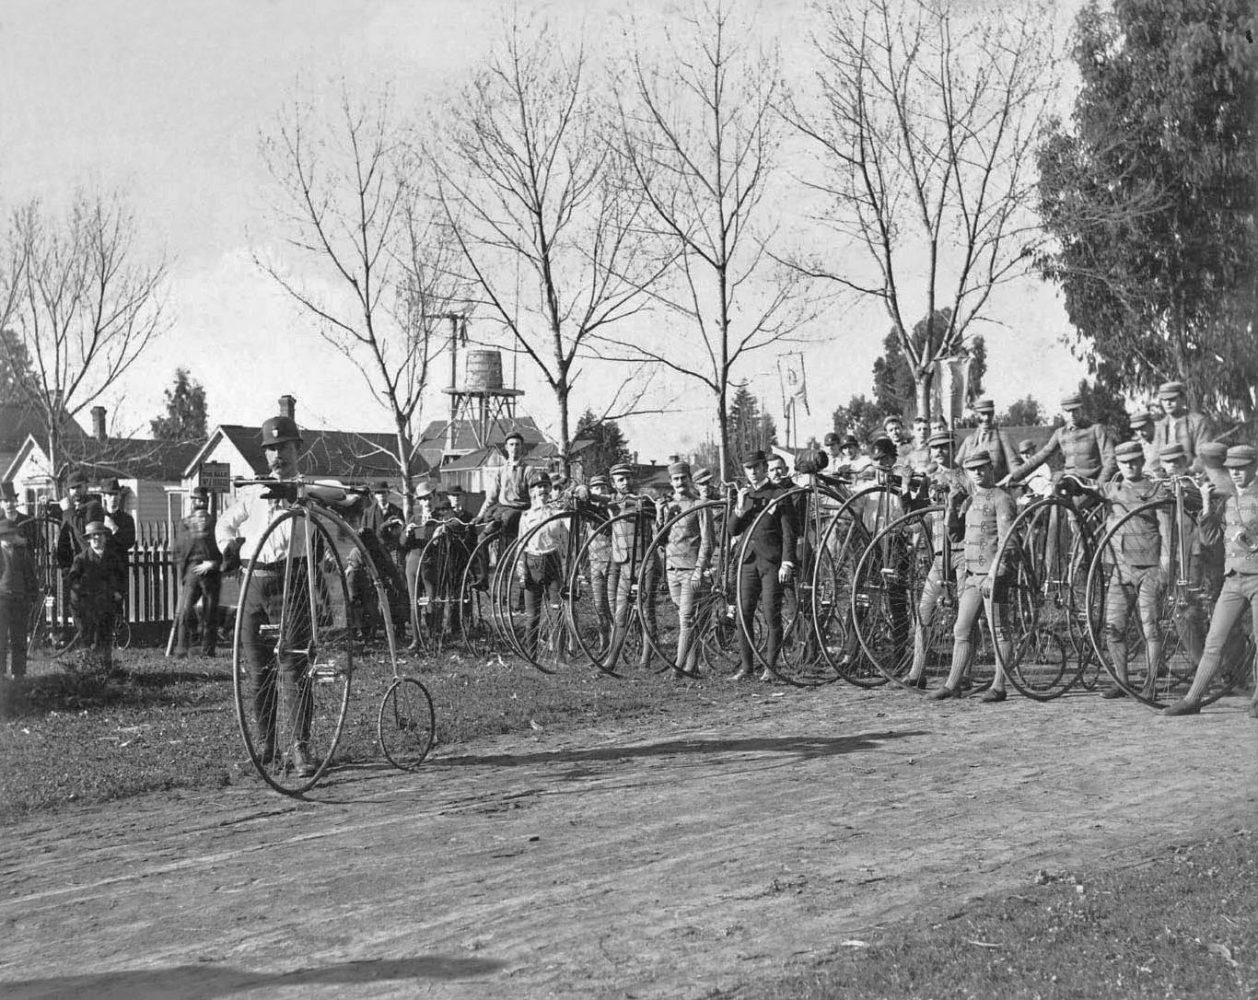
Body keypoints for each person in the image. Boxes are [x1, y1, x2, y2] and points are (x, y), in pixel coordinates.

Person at [215, 413, 319, 776]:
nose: (278, 456)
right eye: (271, 450)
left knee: (293, 667)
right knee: (259, 672)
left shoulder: (309, 489)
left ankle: (300, 748)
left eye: (284, 448)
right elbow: (225, 522)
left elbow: (346, 498)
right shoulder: (252, 491)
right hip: (254, 586)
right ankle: (267, 747)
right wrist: (228, 546)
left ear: (297, 449)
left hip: (292, 584)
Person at [1164, 444, 1258, 718]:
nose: (1236, 473)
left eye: (1242, 468)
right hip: (1233, 579)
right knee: (1214, 641)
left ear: (1254, 467)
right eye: (1232, 468)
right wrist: (1206, 505)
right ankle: (1193, 699)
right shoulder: (1227, 501)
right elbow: (1212, 541)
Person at [1087, 442, 1171, 699]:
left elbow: (1166, 529)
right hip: (1121, 570)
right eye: (1124, 463)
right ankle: (1121, 682)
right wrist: (1066, 483)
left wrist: (1166, 565)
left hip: (1150, 569)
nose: (1129, 466)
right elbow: (1088, 488)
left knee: (1151, 627)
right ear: (1119, 465)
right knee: (1113, 627)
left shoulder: (1156, 490)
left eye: (1134, 461)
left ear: (1142, 461)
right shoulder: (1112, 489)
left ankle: (1151, 684)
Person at [931, 452, 1016, 702]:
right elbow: (956, 539)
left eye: (982, 468)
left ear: (991, 468)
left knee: (999, 630)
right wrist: (951, 508)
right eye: (972, 470)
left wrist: (994, 575)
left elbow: (1008, 541)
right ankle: (952, 684)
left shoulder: (1002, 499)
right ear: (967, 473)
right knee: (962, 628)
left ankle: (999, 686)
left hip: (993, 576)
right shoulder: (969, 500)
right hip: (972, 576)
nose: (978, 473)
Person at [904, 430, 970, 688]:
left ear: (954, 449)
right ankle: (917, 672)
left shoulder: (965, 476)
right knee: (923, 610)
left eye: (945, 447)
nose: (940, 451)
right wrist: (905, 488)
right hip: (939, 555)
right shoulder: (928, 479)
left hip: (964, 552)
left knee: (966, 613)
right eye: (936, 448)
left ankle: (964, 674)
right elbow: (913, 519)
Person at [730, 450, 796, 681]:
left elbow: (789, 533)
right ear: (745, 471)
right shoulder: (744, 495)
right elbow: (732, 530)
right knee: (743, 615)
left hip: (772, 562)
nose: (754, 472)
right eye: (749, 468)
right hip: (748, 561)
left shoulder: (779, 494)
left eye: (758, 467)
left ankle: (771, 667)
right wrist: (739, 507)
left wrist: (787, 562)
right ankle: (747, 668)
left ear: (764, 468)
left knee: (771, 615)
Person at [658, 461, 713, 677]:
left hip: (691, 570)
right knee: (687, 618)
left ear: (689, 479)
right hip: (672, 570)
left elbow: (708, 541)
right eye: (675, 479)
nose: (680, 482)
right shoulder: (668, 506)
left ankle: (677, 667)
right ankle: (692, 666)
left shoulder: (700, 505)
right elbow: (660, 541)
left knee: (687, 618)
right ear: (671, 482)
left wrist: (700, 569)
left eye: (683, 478)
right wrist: (660, 514)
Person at [1005, 393, 1117, 496]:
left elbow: (1110, 459)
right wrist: (1015, 475)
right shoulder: (1060, 433)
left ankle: (1071, 518)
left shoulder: (1096, 429)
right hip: (1069, 483)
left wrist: (1100, 483)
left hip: (1090, 484)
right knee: (1052, 500)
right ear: (1063, 412)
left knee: (1068, 507)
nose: (1072, 414)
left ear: (1082, 409)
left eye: (1075, 410)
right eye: (1068, 411)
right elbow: (1040, 456)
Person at [604, 463, 658, 671]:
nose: (625, 482)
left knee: (646, 611)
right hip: (625, 564)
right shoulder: (612, 502)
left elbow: (650, 513)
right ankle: (612, 659)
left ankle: (645, 660)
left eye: (627, 478)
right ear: (613, 483)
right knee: (620, 613)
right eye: (620, 479)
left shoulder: (641, 501)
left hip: (646, 561)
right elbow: (601, 502)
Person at [515, 472, 570, 659]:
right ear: (532, 492)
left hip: (552, 562)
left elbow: (568, 534)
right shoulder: (526, 516)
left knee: (557, 611)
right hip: (532, 563)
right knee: (532, 616)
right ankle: (532, 656)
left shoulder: (557, 513)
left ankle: (560, 657)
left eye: (546, 486)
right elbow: (520, 545)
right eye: (539, 487)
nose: (543, 491)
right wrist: (521, 570)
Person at [68, 521, 124, 673]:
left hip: (107, 605)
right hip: (87, 607)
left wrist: (117, 593)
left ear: (105, 537)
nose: (97, 538)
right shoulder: (81, 559)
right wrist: (84, 594)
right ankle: (86, 669)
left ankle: (105, 669)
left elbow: (120, 579)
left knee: (105, 636)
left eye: (100, 535)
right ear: (88, 539)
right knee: (87, 637)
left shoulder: (113, 558)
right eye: (93, 536)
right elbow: (73, 581)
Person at [172, 487, 222, 658]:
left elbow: (224, 546)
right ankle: (181, 649)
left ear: (207, 502)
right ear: (192, 501)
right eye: (197, 500)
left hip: (211, 572)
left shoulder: (216, 523)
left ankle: (208, 650)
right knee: (185, 610)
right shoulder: (184, 524)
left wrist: (214, 563)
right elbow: (179, 550)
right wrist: (184, 574)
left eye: (203, 500)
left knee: (210, 612)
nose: (200, 504)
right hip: (192, 571)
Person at [474, 431, 531, 546]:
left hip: (520, 510)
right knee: (481, 539)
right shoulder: (501, 471)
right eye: (511, 444)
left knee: (508, 522)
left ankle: (506, 559)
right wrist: (480, 515)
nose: (514, 447)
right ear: (506, 447)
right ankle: (483, 564)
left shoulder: (528, 470)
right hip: (502, 510)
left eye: (517, 444)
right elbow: (491, 497)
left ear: (522, 447)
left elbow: (534, 495)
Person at [0, 517, 38, 678]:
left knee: (19, 637)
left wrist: (33, 597)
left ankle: (19, 672)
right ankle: (0, 673)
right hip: (1, 600)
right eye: (4, 535)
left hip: (20, 600)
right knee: (0, 638)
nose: (8, 538)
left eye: (11, 535)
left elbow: (30, 576)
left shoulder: (22, 553)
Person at [1152, 381, 1213, 472]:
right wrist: (1157, 472)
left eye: (1172, 399)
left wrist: (1190, 471)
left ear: (1182, 398)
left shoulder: (1197, 421)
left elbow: (1203, 454)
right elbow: (1156, 456)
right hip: (1166, 477)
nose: (1168, 403)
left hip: (1191, 476)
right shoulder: (1161, 425)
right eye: (1164, 400)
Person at [955, 398, 1019, 483]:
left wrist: (1016, 478)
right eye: (983, 414)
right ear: (976, 415)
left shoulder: (1002, 437)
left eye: (989, 414)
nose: (986, 418)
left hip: (997, 488)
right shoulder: (968, 440)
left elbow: (1013, 464)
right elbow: (956, 467)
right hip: (974, 491)